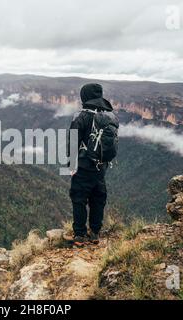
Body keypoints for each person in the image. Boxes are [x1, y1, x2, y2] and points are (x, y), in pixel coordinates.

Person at [68, 83, 114, 246]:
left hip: (83, 165)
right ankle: (95, 233)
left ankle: (79, 235)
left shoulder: (80, 117)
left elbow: (73, 143)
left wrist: (71, 166)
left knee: (79, 198)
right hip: (101, 166)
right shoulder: (108, 117)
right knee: (98, 198)